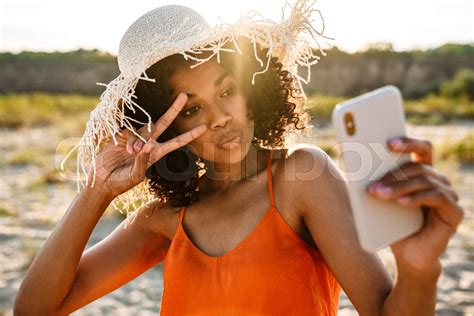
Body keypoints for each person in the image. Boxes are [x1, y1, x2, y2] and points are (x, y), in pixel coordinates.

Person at [14, 2, 464, 315]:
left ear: (254, 91)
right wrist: (96, 192)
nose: (221, 118)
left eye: (227, 90)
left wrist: (419, 268)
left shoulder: (300, 177)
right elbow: (34, 309)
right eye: (191, 108)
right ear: (163, 126)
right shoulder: (164, 219)